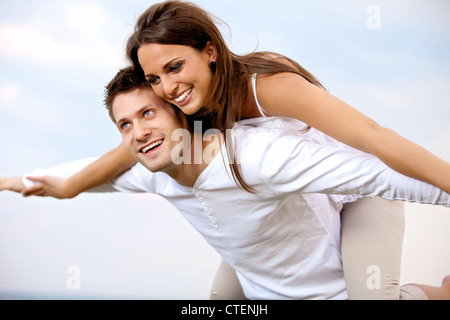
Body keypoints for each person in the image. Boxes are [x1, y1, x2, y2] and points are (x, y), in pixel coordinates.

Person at [3, 67, 449, 300]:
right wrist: (8, 181)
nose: (136, 133)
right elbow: (69, 173)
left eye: (147, 114)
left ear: (183, 114)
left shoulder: (256, 158)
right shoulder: (149, 169)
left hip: (359, 193)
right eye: (123, 125)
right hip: (262, 233)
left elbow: (380, 174)